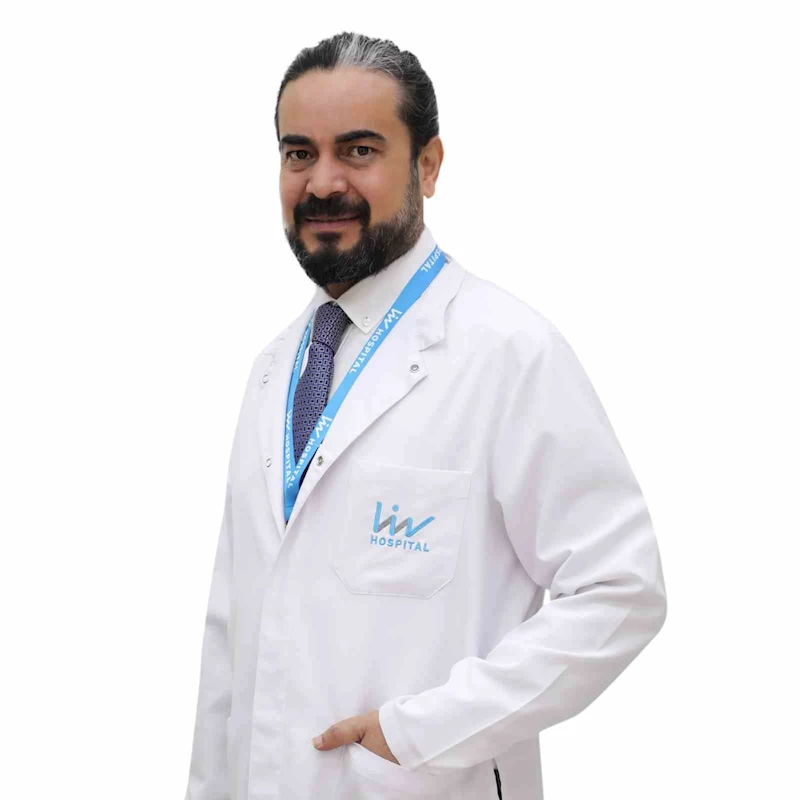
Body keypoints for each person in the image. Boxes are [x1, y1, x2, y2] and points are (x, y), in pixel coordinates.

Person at [184, 31, 668, 800]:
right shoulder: (273, 371)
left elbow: (621, 589)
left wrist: (420, 733)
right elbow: (229, 639)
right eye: (299, 153)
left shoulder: (508, 351)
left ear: (429, 165)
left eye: (359, 150)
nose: (323, 182)